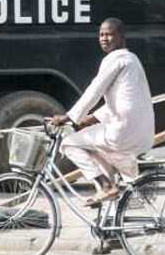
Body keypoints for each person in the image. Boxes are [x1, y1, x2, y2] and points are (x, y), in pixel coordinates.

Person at [50, 18, 155, 206]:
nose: (104, 39)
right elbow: (124, 101)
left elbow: (94, 91)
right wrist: (89, 120)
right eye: (101, 35)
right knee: (103, 164)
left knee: (69, 143)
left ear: (121, 37)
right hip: (142, 134)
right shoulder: (132, 60)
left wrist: (69, 117)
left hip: (123, 132)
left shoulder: (115, 59)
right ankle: (111, 226)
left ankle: (105, 187)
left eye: (109, 34)